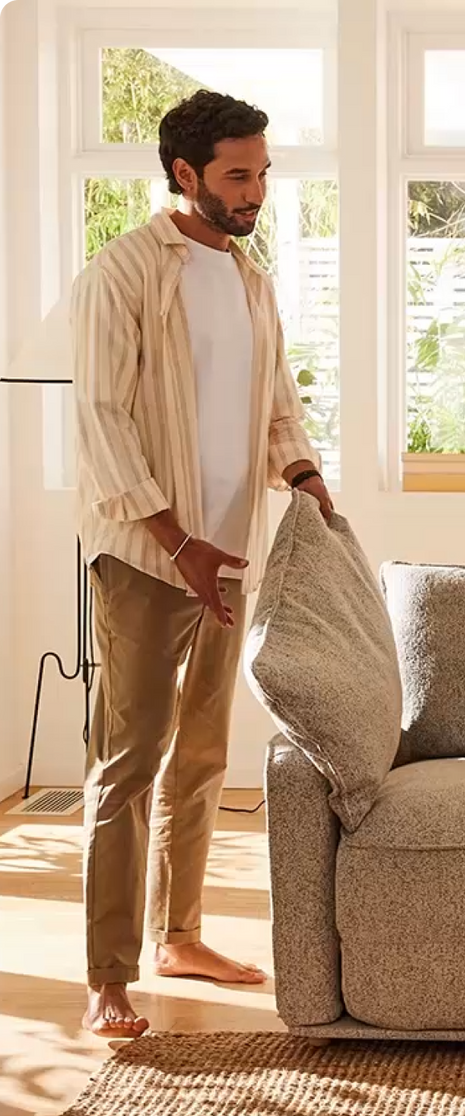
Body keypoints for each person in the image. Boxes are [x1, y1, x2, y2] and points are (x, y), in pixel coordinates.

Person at [73, 90, 335, 1039]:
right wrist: (177, 543)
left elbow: (277, 399)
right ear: (184, 173)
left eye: (263, 172)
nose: (256, 191)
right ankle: (108, 975)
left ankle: (180, 935)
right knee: (129, 763)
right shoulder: (123, 273)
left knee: (206, 756)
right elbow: (99, 421)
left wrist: (300, 469)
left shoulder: (253, 280)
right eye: (238, 173)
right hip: (151, 557)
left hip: (228, 556)